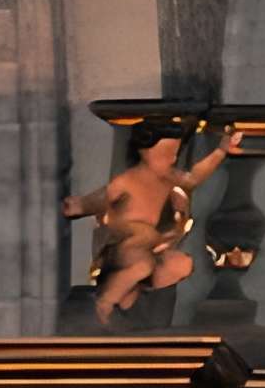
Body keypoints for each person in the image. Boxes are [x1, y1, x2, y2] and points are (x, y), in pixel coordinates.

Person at [63, 118, 243, 324]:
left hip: (152, 248)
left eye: (174, 154)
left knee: (181, 264)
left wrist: (220, 151)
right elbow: (100, 199)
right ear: (144, 151)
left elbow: (193, 178)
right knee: (142, 264)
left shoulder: (168, 178)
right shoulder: (127, 182)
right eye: (164, 153)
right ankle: (105, 303)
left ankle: (134, 292)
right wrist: (79, 206)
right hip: (124, 248)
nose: (171, 159)